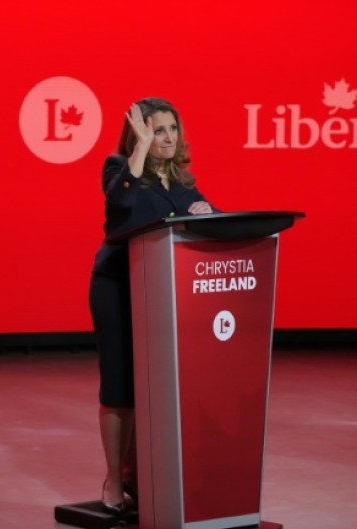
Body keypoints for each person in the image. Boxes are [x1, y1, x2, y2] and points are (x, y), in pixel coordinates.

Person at [89, 97, 213, 513]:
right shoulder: (119, 169)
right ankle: (113, 478)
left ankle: (138, 476)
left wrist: (208, 213)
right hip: (118, 289)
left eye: (171, 129)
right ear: (139, 134)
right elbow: (120, 201)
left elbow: (206, 218)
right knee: (121, 387)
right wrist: (138, 150)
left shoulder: (181, 181)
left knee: (154, 389)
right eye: (157, 130)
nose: (167, 137)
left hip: (163, 293)